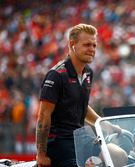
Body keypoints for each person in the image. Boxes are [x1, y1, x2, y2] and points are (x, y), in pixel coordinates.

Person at [35, 23, 119, 167]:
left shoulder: (88, 73)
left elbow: (82, 106)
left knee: (118, 155)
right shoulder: (56, 75)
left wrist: (105, 125)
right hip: (59, 143)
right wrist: (41, 155)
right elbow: (43, 117)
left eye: (94, 45)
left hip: (81, 139)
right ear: (72, 45)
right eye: (87, 45)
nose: (92, 49)